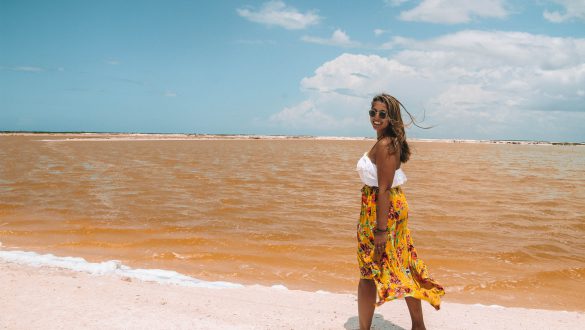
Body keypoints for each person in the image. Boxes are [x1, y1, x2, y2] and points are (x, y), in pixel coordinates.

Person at [356, 93, 444, 330]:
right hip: (385, 208)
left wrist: (381, 230)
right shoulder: (387, 141)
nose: (376, 117)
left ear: (391, 117)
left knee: (368, 269)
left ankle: (364, 328)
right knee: (402, 264)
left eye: (382, 113)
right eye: (372, 112)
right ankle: (418, 326)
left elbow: (383, 189)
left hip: (382, 212)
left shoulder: (385, 144)